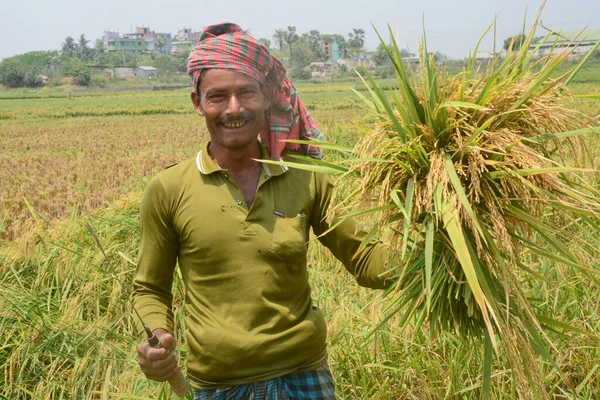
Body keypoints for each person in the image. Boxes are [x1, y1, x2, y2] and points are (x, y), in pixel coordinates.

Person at [132, 22, 395, 399]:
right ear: (197, 103)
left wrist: (437, 255)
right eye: (217, 97)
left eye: (246, 93)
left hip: (304, 379)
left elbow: (364, 256)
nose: (233, 109)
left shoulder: (304, 176)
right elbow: (150, 288)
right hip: (220, 387)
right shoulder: (169, 189)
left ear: (268, 97)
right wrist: (158, 335)